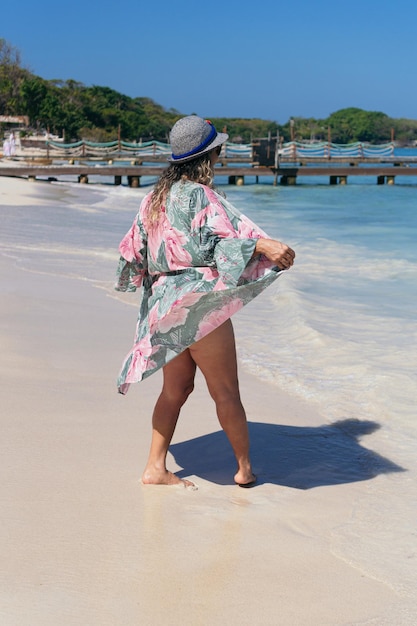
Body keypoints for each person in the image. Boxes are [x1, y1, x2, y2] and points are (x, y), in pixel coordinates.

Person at [115, 116, 295, 489]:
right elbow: (218, 247)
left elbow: (132, 252)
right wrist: (263, 246)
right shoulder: (201, 195)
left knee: (175, 390)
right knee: (225, 391)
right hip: (197, 304)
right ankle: (245, 470)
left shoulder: (152, 199)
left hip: (164, 306)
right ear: (211, 154)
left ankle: (154, 467)